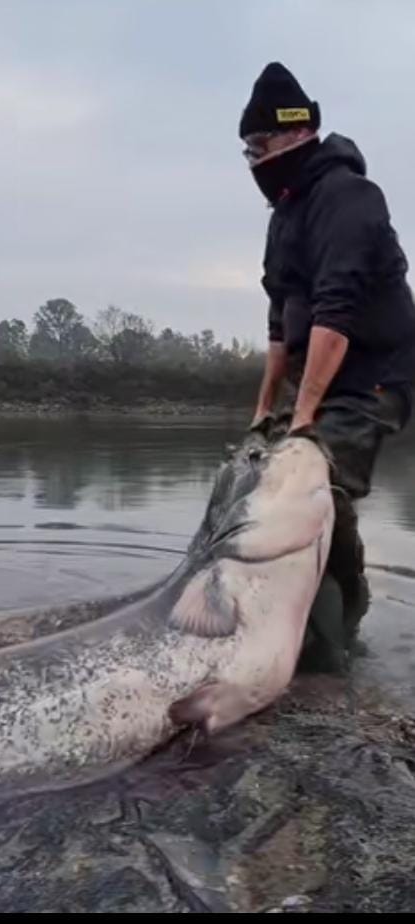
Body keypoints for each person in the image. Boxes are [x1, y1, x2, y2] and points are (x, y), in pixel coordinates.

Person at [239, 62, 415, 672]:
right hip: (323, 376)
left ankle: (337, 641)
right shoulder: (284, 216)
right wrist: (266, 412)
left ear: (294, 134)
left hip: (374, 377)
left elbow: (336, 313)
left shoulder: (348, 197)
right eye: (245, 149)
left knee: (319, 481)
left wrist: (305, 417)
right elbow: (279, 324)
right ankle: (264, 610)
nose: (252, 159)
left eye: (258, 145)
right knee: (264, 469)